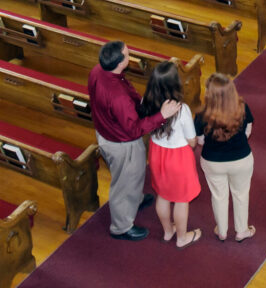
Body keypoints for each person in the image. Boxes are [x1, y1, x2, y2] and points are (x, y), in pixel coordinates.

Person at [88, 40, 179, 240]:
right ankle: (121, 227)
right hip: (122, 144)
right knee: (124, 183)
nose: (130, 55)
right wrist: (161, 115)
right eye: (127, 54)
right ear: (120, 63)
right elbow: (135, 130)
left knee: (132, 177)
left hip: (106, 131)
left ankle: (135, 199)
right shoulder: (118, 98)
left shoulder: (97, 71)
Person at [138, 61, 202, 247]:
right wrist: (192, 143)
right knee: (182, 199)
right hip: (178, 156)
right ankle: (182, 238)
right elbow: (192, 140)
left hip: (157, 153)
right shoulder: (181, 109)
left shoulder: (146, 101)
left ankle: (168, 231)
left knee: (163, 195)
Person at [194, 73, 255, 242]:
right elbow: (248, 131)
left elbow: (200, 140)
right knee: (241, 194)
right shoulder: (242, 107)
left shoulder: (202, 114)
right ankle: (242, 230)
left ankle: (221, 230)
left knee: (218, 195)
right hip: (241, 159)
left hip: (213, 161)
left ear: (209, 94)